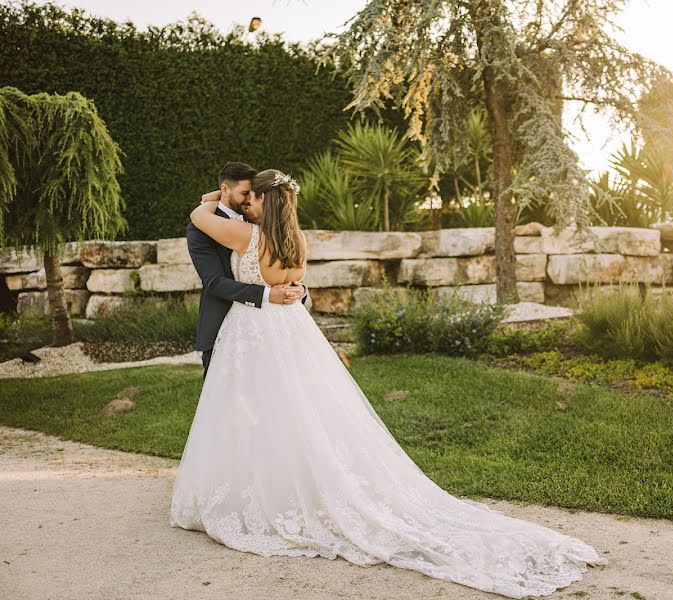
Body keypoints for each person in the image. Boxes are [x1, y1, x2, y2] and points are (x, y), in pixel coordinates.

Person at [170, 169, 604, 598]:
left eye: (254, 200)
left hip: (255, 333)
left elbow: (197, 216)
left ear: (266, 201)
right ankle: (292, 484)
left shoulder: (246, 238)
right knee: (303, 412)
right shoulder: (298, 240)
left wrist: (212, 198)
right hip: (292, 329)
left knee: (259, 413)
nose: (248, 205)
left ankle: (269, 492)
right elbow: (295, 284)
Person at [185, 162, 309, 379]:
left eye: (251, 194)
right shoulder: (202, 230)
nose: (247, 200)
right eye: (244, 193)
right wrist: (277, 294)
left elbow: (197, 214)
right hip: (225, 324)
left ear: (263, 197)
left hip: (264, 327)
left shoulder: (252, 227)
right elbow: (213, 282)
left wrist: (299, 290)